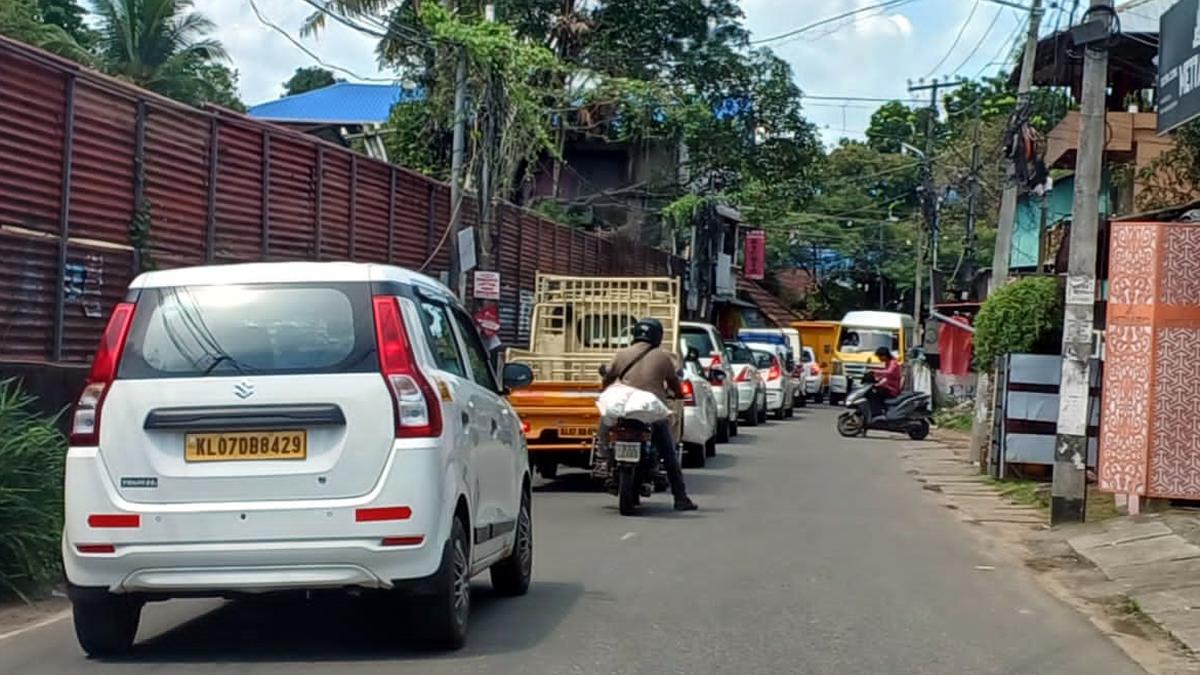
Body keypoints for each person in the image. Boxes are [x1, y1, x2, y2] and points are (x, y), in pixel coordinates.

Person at [601, 318, 698, 511]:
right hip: (651, 410)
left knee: (605, 422)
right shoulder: (663, 358)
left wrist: (603, 390)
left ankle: (603, 455)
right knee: (669, 454)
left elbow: (609, 375)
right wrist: (678, 394)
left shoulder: (622, 353)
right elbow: (674, 384)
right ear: (658, 336)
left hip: (625, 409)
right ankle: (680, 498)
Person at [867, 346, 902, 421]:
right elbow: (885, 377)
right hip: (888, 387)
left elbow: (889, 372)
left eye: (880, 357)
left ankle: (877, 413)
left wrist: (876, 371)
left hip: (892, 389)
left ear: (884, 356)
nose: (879, 359)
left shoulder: (893, 363)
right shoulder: (887, 363)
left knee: (873, 394)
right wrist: (877, 380)